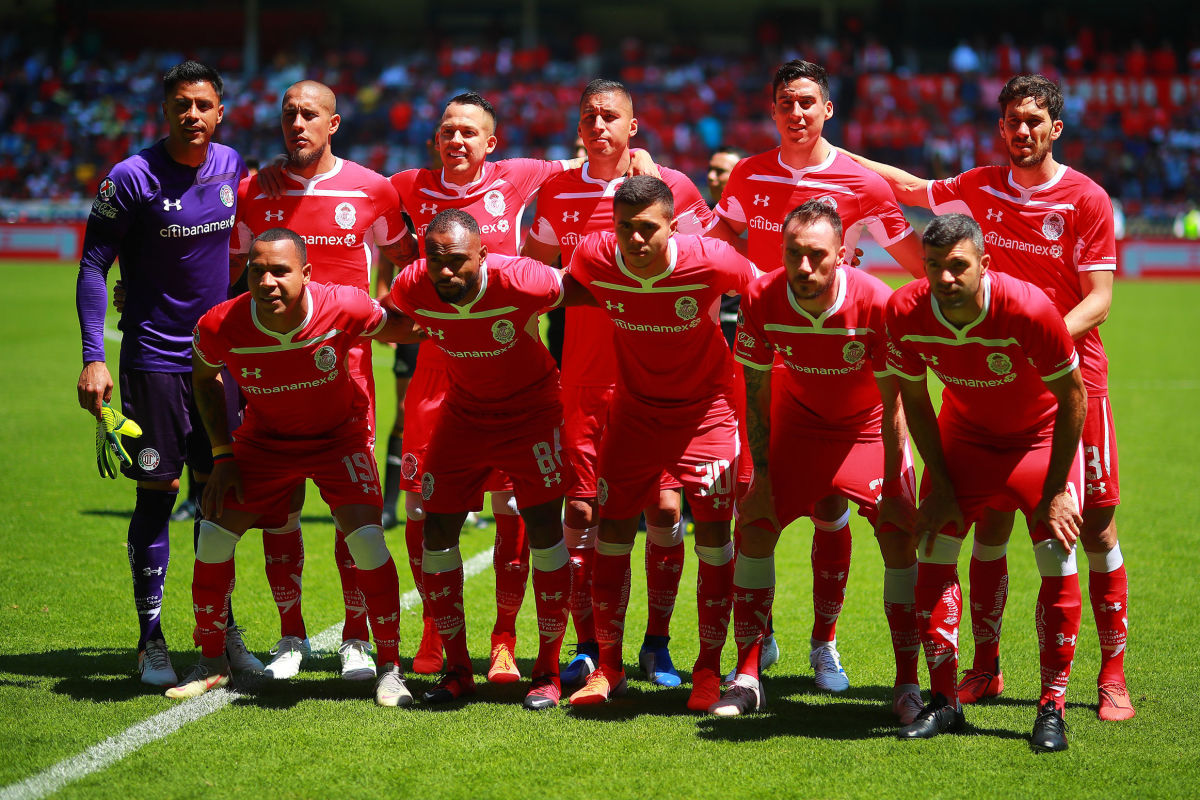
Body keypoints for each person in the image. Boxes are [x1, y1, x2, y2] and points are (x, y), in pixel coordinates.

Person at [845, 74, 1133, 721]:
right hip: (985, 376)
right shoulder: (977, 185)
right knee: (989, 523)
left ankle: (1111, 675)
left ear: (1056, 128)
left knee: (1093, 523)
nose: (1021, 131)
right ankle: (985, 667)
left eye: (1033, 120)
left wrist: (1037, 341)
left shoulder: (1086, 199)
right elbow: (911, 187)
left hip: (1069, 379)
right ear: (1000, 128)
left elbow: (1100, 299)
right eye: (1011, 121)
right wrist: (836, 155)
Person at [387, 92, 630, 681]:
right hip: (439, 366)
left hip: (510, 361)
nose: (458, 140)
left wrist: (639, 155)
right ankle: (434, 634)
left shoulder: (519, 177)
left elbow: (594, 158)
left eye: (470, 131)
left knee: (513, 505)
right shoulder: (403, 185)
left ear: (490, 143)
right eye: (447, 129)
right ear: (434, 139)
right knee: (422, 505)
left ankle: (502, 639)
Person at [707, 58, 924, 693]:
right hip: (771, 368)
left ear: (827, 109)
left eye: (808, 102)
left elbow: (913, 263)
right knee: (757, 503)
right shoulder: (747, 175)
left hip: (849, 374)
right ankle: (760, 639)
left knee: (833, 511)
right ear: (772, 110)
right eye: (785, 103)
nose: (796, 113)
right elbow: (713, 245)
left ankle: (824, 644)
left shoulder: (862, 182)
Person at [170, 227, 419, 707]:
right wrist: (222, 454)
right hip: (266, 441)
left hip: (337, 438)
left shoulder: (343, 306)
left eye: (280, 271)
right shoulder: (221, 324)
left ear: (305, 274)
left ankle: (389, 667)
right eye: (258, 271)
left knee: (366, 541)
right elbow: (202, 378)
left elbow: (405, 328)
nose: (267, 282)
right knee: (213, 536)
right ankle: (213, 663)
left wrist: (456, 310)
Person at [75, 61, 260, 688]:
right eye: (182, 104)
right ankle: (150, 638)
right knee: (156, 493)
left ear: (220, 112)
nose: (193, 115)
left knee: (219, 496)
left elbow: (239, 258)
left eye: (204, 105)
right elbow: (93, 265)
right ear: (164, 109)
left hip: (217, 366)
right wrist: (93, 356)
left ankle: (220, 630)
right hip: (153, 361)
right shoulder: (130, 178)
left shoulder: (233, 167)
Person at [524, 79, 714, 690]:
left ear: (634, 126)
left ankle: (656, 644)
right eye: (588, 116)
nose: (598, 125)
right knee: (581, 509)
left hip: (653, 382)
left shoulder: (673, 189)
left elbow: (708, 258)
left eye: (611, 116)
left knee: (662, 508)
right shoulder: (556, 190)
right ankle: (589, 646)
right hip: (582, 381)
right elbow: (536, 277)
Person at [230, 80, 416, 684]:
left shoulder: (371, 189)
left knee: (351, 515)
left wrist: (383, 314)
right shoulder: (253, 191)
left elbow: (407, 261)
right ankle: (291, 635)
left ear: (333, 124)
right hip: (275, 381)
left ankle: (357, 640)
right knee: (279, 509)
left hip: (347, 379)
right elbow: (235, 274)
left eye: (310, 115)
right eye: (289, 115)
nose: (298, 124)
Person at [887, 213, 1086, 752]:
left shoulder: (1026, 307)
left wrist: (1055, 491)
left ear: (983, 264)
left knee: (1057, 554)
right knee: (933, 550)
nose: (945, 278)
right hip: (965, 438)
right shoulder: (903, 310)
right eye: (934, 267)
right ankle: (945, 701)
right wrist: (943, 485)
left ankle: (1051, 706)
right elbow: (916, 399)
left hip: (1038, 438)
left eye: (957, 266)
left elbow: (1073, 395)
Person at [561, 176, 758, 709]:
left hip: (708, 415)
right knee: (613, 532)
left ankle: (710, 671)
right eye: (625, 227)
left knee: (716, 540)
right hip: (634, 414)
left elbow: (765, 288)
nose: (635, 238)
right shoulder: (598, 254)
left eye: (647, 228)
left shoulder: (711, 259)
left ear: (672, 225)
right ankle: (608, 667)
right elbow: (563, 285)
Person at [721, 200, 922, 721]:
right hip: (801, 423)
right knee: (757, 522)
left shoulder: (878, 303)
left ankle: (905, 681)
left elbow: (896, 399)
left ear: (843, 256)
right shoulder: (762, 296)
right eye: (794, 255)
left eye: (817, 256)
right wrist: (759, 476)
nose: (804, 268)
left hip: (866, 428)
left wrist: (900, 484)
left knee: (899, 534)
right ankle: (747, 673)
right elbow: (757, 390)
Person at [385, 209, 577, 711]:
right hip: (463, 414)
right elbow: (394, 317)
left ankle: (548, 672)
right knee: (436, 531)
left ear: (484, 256)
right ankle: (457, 670)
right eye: (436, 261)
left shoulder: (523, 278)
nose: (445, 272)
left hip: (532, 412)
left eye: (457, 262)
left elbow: (582, 293)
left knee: (543, 532)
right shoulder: (413, 284)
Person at [706, 145, 745, 349]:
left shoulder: (758, 219)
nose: (711, 177)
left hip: (746, 325)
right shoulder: (696, 214)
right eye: (710, 170)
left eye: (720, 171)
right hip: (706, 325)